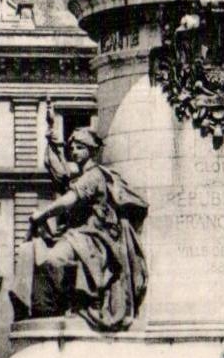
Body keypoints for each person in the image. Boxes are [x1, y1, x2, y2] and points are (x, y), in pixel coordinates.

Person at [9, 128, 148, 331]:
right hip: (75, 234)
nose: (73, 150)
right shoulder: (78, 175)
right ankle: (46, 307)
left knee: (54, 259)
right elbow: (59, 171)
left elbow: (68, 201)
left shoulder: (94, 176)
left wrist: (42, 214)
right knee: (30, 251)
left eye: (79, 147)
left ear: (91, 151)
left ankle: (75, 303)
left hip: (95, 236)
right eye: (72, 147)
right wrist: (52, 142)